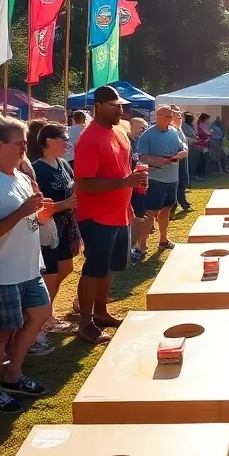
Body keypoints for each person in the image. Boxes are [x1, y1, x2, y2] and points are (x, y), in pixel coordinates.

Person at [0, 117, 49, 409]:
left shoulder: (18, 175)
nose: (25, 149)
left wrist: (38, 213)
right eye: (20, 143)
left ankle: (13, 374)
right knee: (2, 331)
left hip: (27, 267)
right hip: (1, 272)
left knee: (41, 313)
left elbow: (27, 215)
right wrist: (23, 212)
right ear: (1, 145)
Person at [73, 87, 146, 345]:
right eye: (115, 106)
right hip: (96, 216)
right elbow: (83, 183)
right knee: (94, 269)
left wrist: (128, 199)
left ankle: (101, 312)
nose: (121, 110)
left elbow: (124, 171)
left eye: (121, 106)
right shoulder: (89, 139)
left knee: (109, 268)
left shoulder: (120, 132)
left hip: (119, 213)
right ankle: (85, 323)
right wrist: (125, 183)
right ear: (99, 105)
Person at [29, 121, 80, 308]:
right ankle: (43, 317)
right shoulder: (37, 169)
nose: (68, 144)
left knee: (66, 268)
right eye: (64, 140)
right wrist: (63, 204)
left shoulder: (64, 164)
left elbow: (72, 188)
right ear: (49, 141)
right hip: (48, 229)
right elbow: (34, 206)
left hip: (67, 226)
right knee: (51, 274)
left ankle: (47, 310)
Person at [135, 105, 189, 258]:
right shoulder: (148, 135)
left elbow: (183, 148)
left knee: (166, 209)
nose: (172, 119)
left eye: (172, 116)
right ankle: (142, 246)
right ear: (159, 117)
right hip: (156, 179)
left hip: (172, 179)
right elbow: (142, 157)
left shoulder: (174, 132)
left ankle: (163, 239)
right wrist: (160, 160)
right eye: (168, 116)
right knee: (151, 213)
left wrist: (181, 154)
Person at [127, 118, 150, 262]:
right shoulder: (126, 142)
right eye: (141, 128)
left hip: (137, 184)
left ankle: (132, 247)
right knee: (134, 217)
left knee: (138, 216)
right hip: (128, 186)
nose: (143, 131)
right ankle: (128, 250)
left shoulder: (136, 142)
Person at [172, 108, 192, 212]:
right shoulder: (173, 129)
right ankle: (177, 203)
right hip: (177, 159)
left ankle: (182, 201)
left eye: (181, 116)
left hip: (183, 158)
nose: (181, 118)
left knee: (183, 180)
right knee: (178, 181)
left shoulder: (179, 128)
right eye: (178, 116)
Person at [195, 112, 212, 180]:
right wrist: (210, 133)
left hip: (205, 145)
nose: (208, 121)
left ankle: (202, 174)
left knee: (203, 160)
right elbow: (203, 133)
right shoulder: (200, 125)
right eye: (207, 119)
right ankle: (199, 175)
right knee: (202, 160)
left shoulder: (202, 125)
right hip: (202, 145)